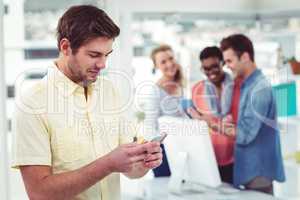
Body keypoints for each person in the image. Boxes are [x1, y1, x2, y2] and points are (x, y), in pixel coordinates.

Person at [12, 5, 162, 200]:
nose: (102, 64)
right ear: (65, 47)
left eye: (107, 55)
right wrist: (107, 164)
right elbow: (39, 193)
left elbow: (130, 170)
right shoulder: (32, 103)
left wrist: (144, 162)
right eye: (94, 55)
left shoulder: (109, 91)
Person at [219, 34, 285, 194]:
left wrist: (212, 124)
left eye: (229, 61)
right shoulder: (248, 85)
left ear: (245, 57)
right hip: (250, 170)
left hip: (257, 172)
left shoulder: (259, 88)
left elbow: (245, 135)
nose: (227, 66)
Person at [190, 46, 235, 184]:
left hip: (235, 157)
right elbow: (195, 123)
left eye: (214, 66)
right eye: (206, 69)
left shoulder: (237, 88)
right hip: (209, 157)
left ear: (223, 63)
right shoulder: (197, 89)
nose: (211, 72)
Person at [143, 44, 186, 177]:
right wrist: (154, 152)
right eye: (163, 62)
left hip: (182, 146)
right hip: (163, 151)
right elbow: (150, 125)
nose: (169, 64)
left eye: (171, 58)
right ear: (156, 66)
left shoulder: (181, 84)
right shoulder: (155, 91)